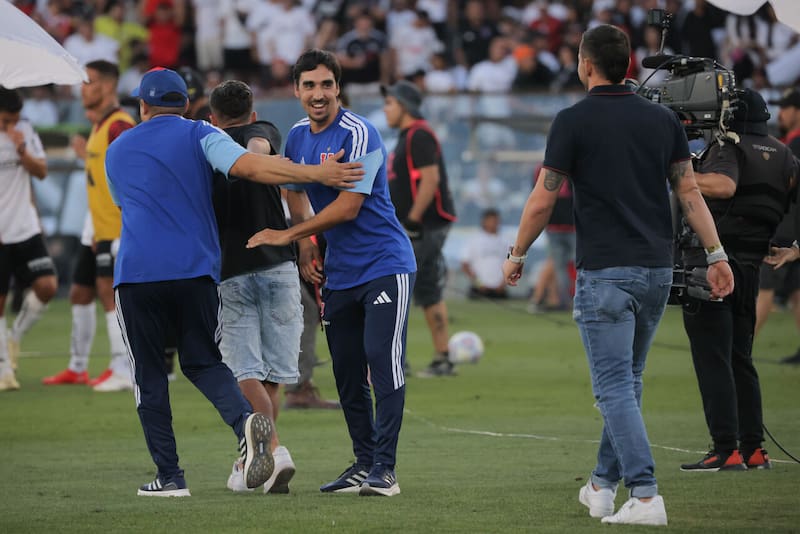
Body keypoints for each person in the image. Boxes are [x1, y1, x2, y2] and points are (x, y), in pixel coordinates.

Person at [502, 25, 733, 526]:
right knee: (626, 382)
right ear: (628, 64)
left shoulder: (571, 120)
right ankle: (602, 487)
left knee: (613, 387)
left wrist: (517, 252)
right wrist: (717, 254)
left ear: (586, 65)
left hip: (606, 272)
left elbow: (544, 198)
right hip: (655, 269)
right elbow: (689, 193)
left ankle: (646, 494)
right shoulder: (661, 119)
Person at [105, 67, 363, 496]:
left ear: (143, 106)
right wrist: (318, 175)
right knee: (204, 363)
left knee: (149, 376)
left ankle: (170, 477)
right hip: (198, 273)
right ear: (187, 104)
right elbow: (252, 166)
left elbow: (123, 204)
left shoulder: (117, 148)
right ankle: (247, 423)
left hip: (138, 274)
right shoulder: (200, 136)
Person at [246, 49, 416, 497]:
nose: (318, 94)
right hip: (339, 271)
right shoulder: (299, 136)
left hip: (385, 264)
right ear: (297, 90)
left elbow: (349, 205)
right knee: (345, 371)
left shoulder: (360, 133)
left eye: (326, 84)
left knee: (382, 360)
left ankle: (386, 469)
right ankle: (363, 463)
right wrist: (306, 244)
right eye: (309, 86)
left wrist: (288, 234)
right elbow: (293, 187)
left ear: (338, 87)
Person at [679, 88, 798, 472]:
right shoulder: (783, 154)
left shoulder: (728, 146)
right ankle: (754, 449)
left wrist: (683, 174)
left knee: (713, 358)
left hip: (712, 263)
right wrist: (793, 248)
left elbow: (724, 186)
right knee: (740, 359)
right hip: (751, 266)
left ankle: (725, 447)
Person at [207, 79, 302, 494]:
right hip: (279, 266)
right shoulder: (264, 132)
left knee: (243, 371)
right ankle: (249, 462)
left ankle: (275, 451)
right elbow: (262, 148)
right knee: (271, 375)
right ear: (253, 113)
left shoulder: (208, 146)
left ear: (212, 118)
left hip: (230, 270)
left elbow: (255, 152)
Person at [42, 60, 135, 392]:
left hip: (116, 228)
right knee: (80, 293)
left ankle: (123, 369)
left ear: (107, 87)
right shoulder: (99, 126)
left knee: (108, 294)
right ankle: (78, 367)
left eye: (89, 82)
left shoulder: (119, 126)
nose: (82, 88)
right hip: (95, 226)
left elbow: (133, 176)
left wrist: (124, 228)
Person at [383, 80, 457, 378]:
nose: (386, 109)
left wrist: (411, 221)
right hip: (421, 227)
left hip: (422, 227)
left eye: (390, 103)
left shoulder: (419, 135)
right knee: (427, 288)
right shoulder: (408, 136)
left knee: (396, 289)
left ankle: (396, 360)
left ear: (404, 105)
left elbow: (430, 180)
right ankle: (442, 358)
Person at [0, 86, 57, 391]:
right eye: (7, 119)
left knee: (47, 286)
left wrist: (21, 148)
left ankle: (15, 337)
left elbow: (42, 172)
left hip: (25, 226)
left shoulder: (24, 131)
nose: (12, 124)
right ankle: (4, 371)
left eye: (16, 119)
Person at [761, 87, 800, 365]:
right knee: (798, 292)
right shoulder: (791, 142)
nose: (782, 113)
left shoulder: (795, 144)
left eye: (786, 108)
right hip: (795, 230)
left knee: (764, 289)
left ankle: (737, 348)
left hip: (786, 228)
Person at [461, 208, 508, 300]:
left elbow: (512, 264)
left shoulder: (506, 241)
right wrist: (479, 283)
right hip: (479, 290)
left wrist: (503, 284)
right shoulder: (474, 240)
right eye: (492, 221)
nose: (495, 223)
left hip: (499, 290)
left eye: (496, 221)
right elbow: (465, 265)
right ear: (484, 221)